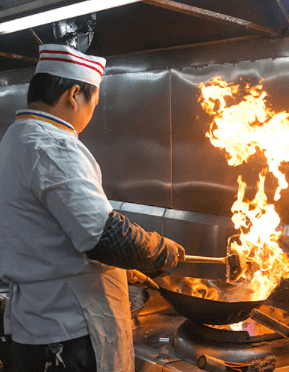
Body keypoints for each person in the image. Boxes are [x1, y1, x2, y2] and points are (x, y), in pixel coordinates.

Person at [0, 44, 185, 372]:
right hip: (67, 334)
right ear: (74, 94)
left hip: (38, 325)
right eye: (93, 103)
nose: (90, 114)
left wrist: (128, 268)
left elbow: (50, 233)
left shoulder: (16, 138)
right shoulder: (52, 145)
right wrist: (161, 250)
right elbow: (106, 237)